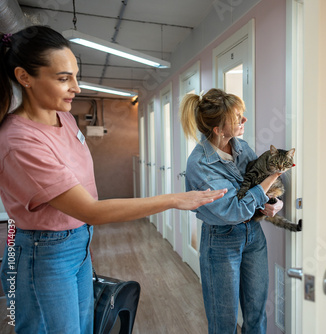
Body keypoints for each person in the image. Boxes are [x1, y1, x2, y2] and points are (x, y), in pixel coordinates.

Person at [0, 26, 227, 333]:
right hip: (45, 254)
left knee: (82, 328)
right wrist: (175, 199)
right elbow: (90, 209)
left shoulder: (64, 117)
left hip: (78, 240)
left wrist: (83, 239)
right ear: (25, 77)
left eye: (76, 75)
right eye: (63, 78)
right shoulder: (19, 141)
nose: (76, 88)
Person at [180, 88, 284, 333]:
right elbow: (235, 209)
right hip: (221, 242)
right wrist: (272, 178)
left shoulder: (240, 147)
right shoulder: (199, 165)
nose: (244, 120)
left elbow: (255, 184)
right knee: (223, 322)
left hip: (253, 235)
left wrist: (272, 202)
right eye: (237, 117)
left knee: (257, 315)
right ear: (217, 129)